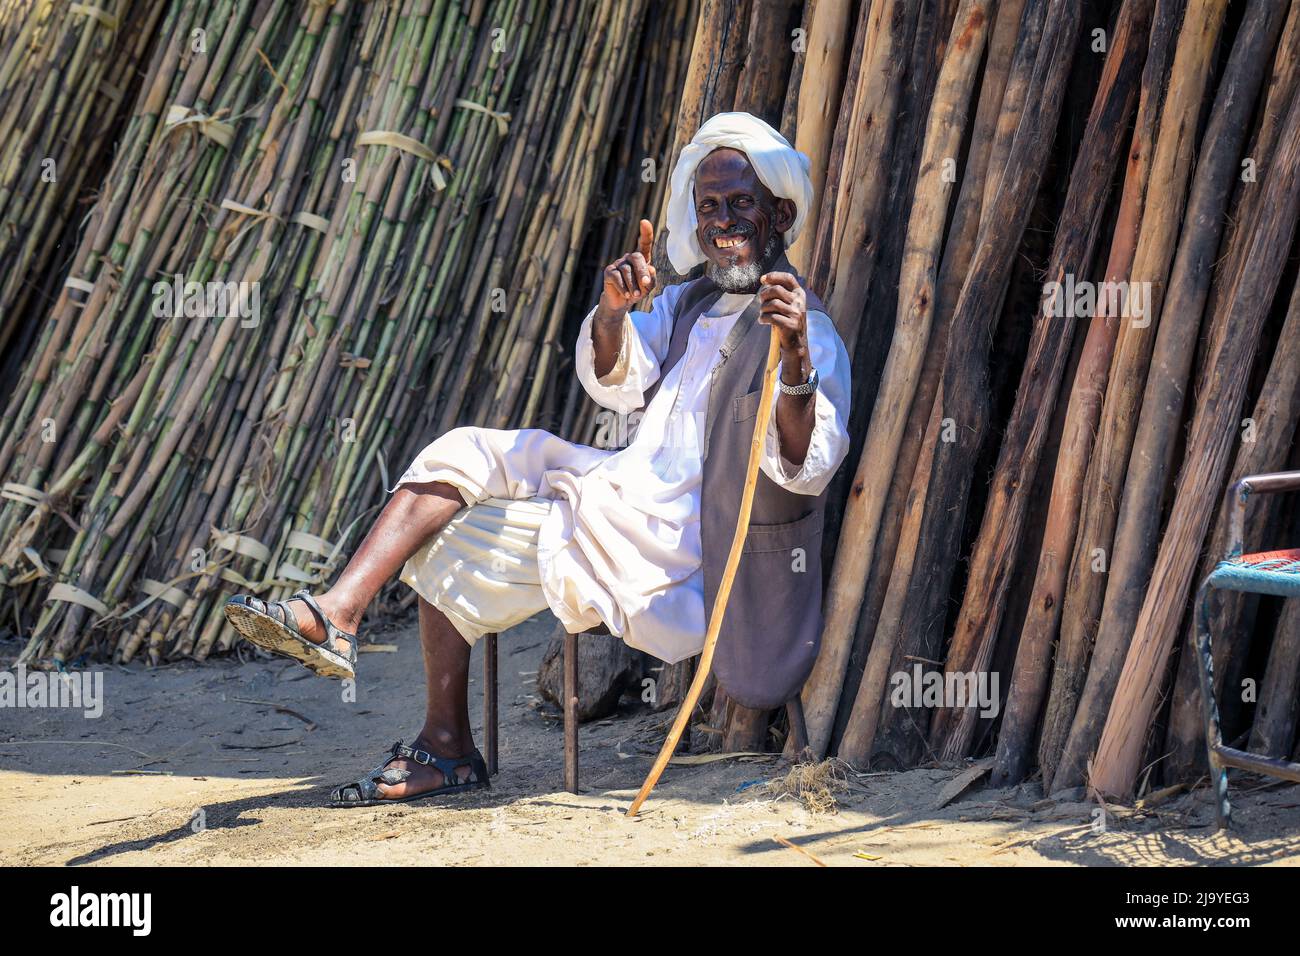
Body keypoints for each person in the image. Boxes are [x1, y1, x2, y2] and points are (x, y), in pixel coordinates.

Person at [224, 112, 852, 806]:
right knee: (462, 450)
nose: (723, 222)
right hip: (621, 501)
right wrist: (615, 310)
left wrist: (792, 357)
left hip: (681, 557)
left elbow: (805, 467)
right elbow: (615, 376)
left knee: (453, 541)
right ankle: (339, 612)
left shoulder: (809, 331)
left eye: (741, 204)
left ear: (780, 212)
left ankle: (446, 746)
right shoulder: (688, 304)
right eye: (710, 207)